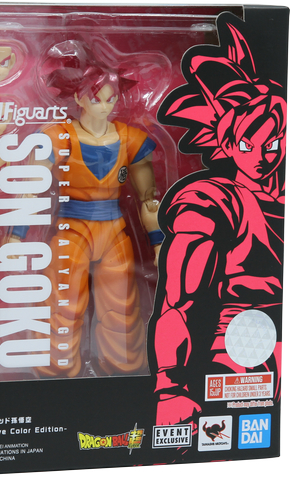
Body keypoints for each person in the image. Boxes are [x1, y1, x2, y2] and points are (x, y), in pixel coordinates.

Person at [151, 22, 286, 426]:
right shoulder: (212, 200)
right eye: (247, 144)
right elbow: (179, 300)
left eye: (272, 143)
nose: (261, 156)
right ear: (227, 143)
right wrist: (170, 386)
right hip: (241, 348)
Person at [11, 40, 163, 378]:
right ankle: (55, 372)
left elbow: (149, 200)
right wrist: (16, 235)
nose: (105, 106)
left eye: (111, 99)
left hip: (114, 229)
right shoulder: (58, 136)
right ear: (78, 98)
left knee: (121, 306)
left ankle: (123, 372)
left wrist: (157, 243)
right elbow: (29, 188)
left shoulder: (130, 139)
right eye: (97, 99)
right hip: (71, 229)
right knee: (62, 304)